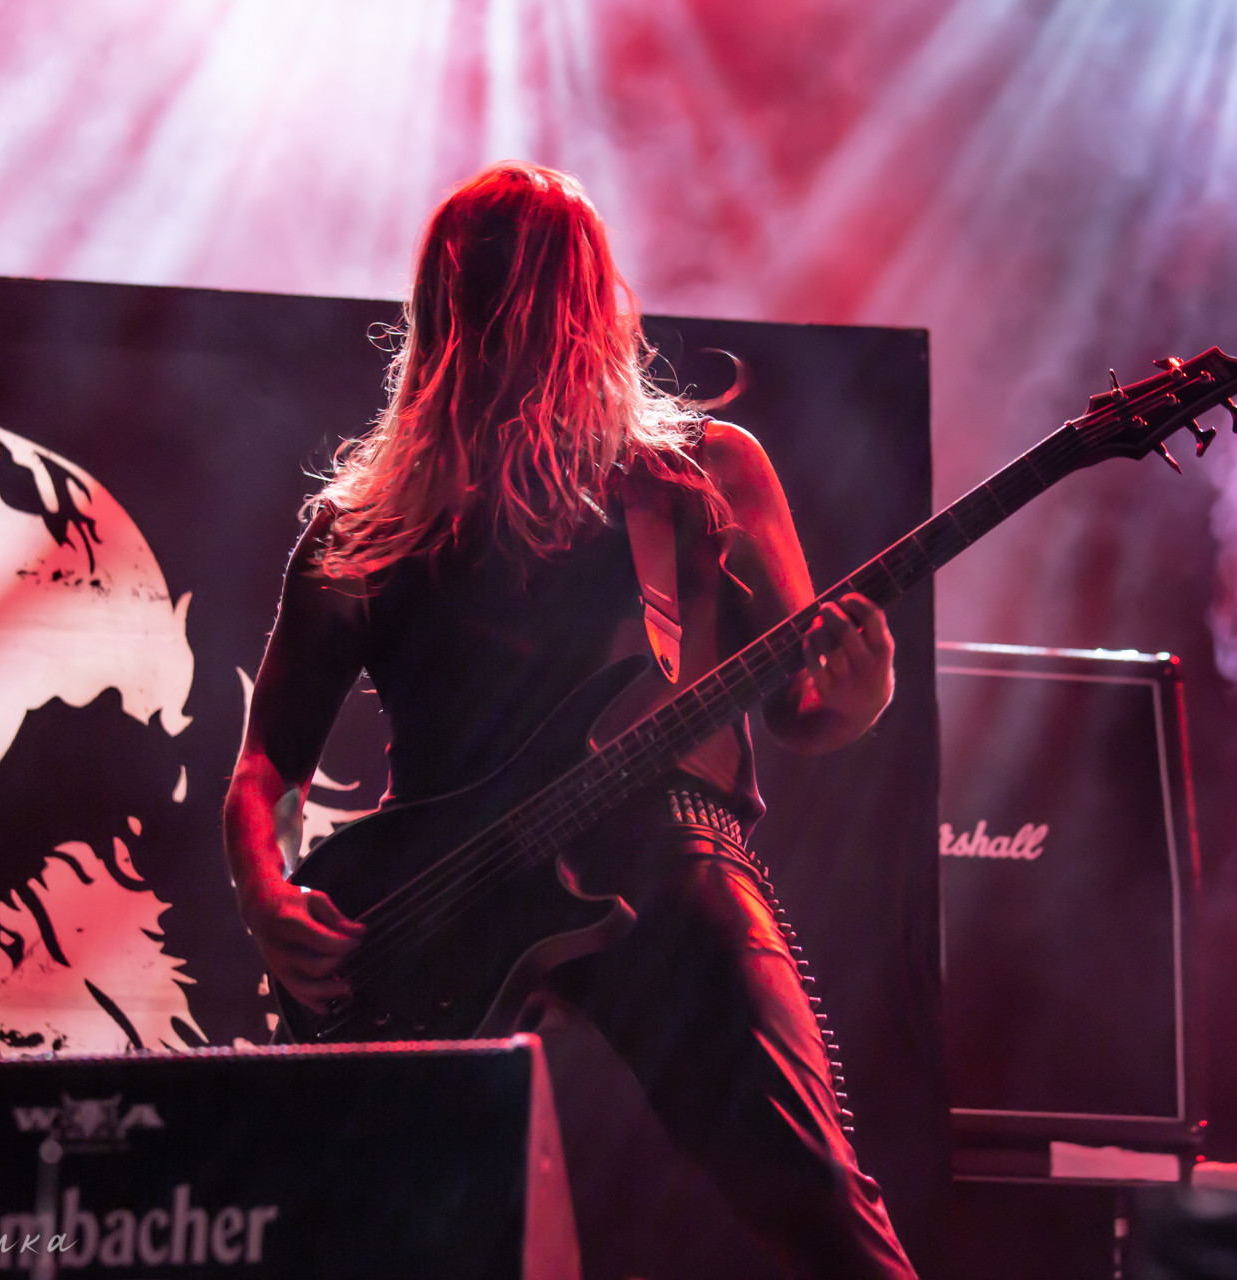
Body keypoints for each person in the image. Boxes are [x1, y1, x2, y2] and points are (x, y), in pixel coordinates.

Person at [222, 161, 918, 1280]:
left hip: (665, 851)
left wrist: (864, 689)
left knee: (815, 1189)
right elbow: (267, 764)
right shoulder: (371, 523)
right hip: (439, 894)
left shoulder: (701, 473)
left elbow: (803, 705)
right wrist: (265, 890)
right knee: (375, 1225)